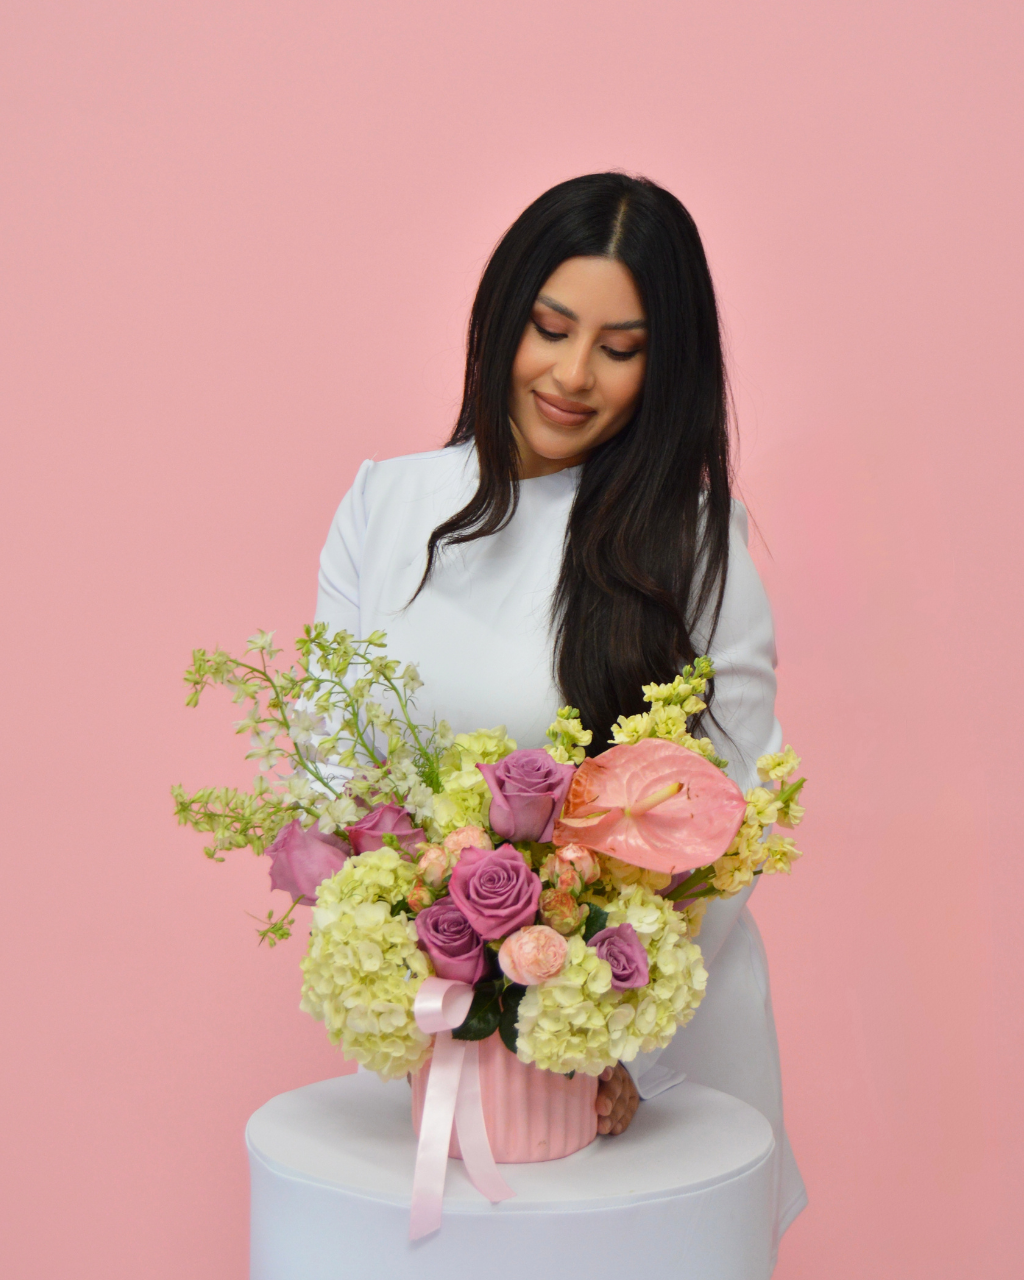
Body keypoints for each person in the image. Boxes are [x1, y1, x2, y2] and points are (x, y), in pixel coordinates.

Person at [314, 171, 807, 1254]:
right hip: (449, 1045)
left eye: (620, 348)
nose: (572, 374)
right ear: (501, 315)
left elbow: (731, 822)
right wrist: (430, 975)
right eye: (549, 327)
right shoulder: (385, 506)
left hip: (647, 1063)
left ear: (663, 364)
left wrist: (604, 1025)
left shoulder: (694, 542)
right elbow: (333, 774)